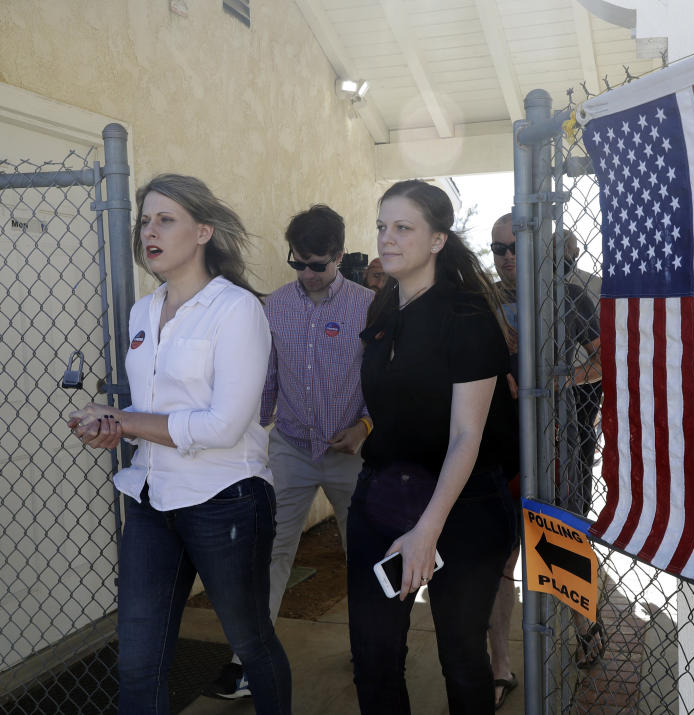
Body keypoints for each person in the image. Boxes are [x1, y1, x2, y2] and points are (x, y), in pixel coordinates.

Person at [65, 174, 291, 714]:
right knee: (138, 662)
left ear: (203, 232)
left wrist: (127, 419)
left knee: (251, 643)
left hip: (226, 500)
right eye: (145, 220)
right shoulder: (143, 311)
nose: (150, 231)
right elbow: (150, 412)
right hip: (150, 497)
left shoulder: (236, 310)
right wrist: (111, 427)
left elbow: (223, 426)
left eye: (166, 219)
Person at [348, 180, 518, 714]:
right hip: (382, 500)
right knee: (373, 657)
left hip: (463, 505)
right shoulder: (381, 310)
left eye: (403, 227)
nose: (386, 238)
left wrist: (428, 528)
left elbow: (467, 434)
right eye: (381, 226)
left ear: (438, 239)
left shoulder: (466, 316)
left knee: (462, 657)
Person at [205, 204, 374, 699]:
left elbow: (382, 383)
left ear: (340, 256)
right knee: (271, 551)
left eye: (317, 265)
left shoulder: (368, 307)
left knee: (362, 552)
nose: (306, 274)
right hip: (291, 448)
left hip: (353, 451)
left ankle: (372, 650)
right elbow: (266, 382)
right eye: (297, 262)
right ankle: (247, 663)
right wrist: (245, 442)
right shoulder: (274, 306)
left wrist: (365, 427)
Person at [487, 214, 605, 687]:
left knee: (560, 542)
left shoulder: (569, 296)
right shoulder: (483, 303)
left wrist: (558, 382)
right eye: (499, 249)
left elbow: (605, 360)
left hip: (557, 445)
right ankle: (500, 667)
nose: (508, 257)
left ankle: (586, 630)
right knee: (500, 558)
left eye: (516, 247)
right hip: (497, 449)